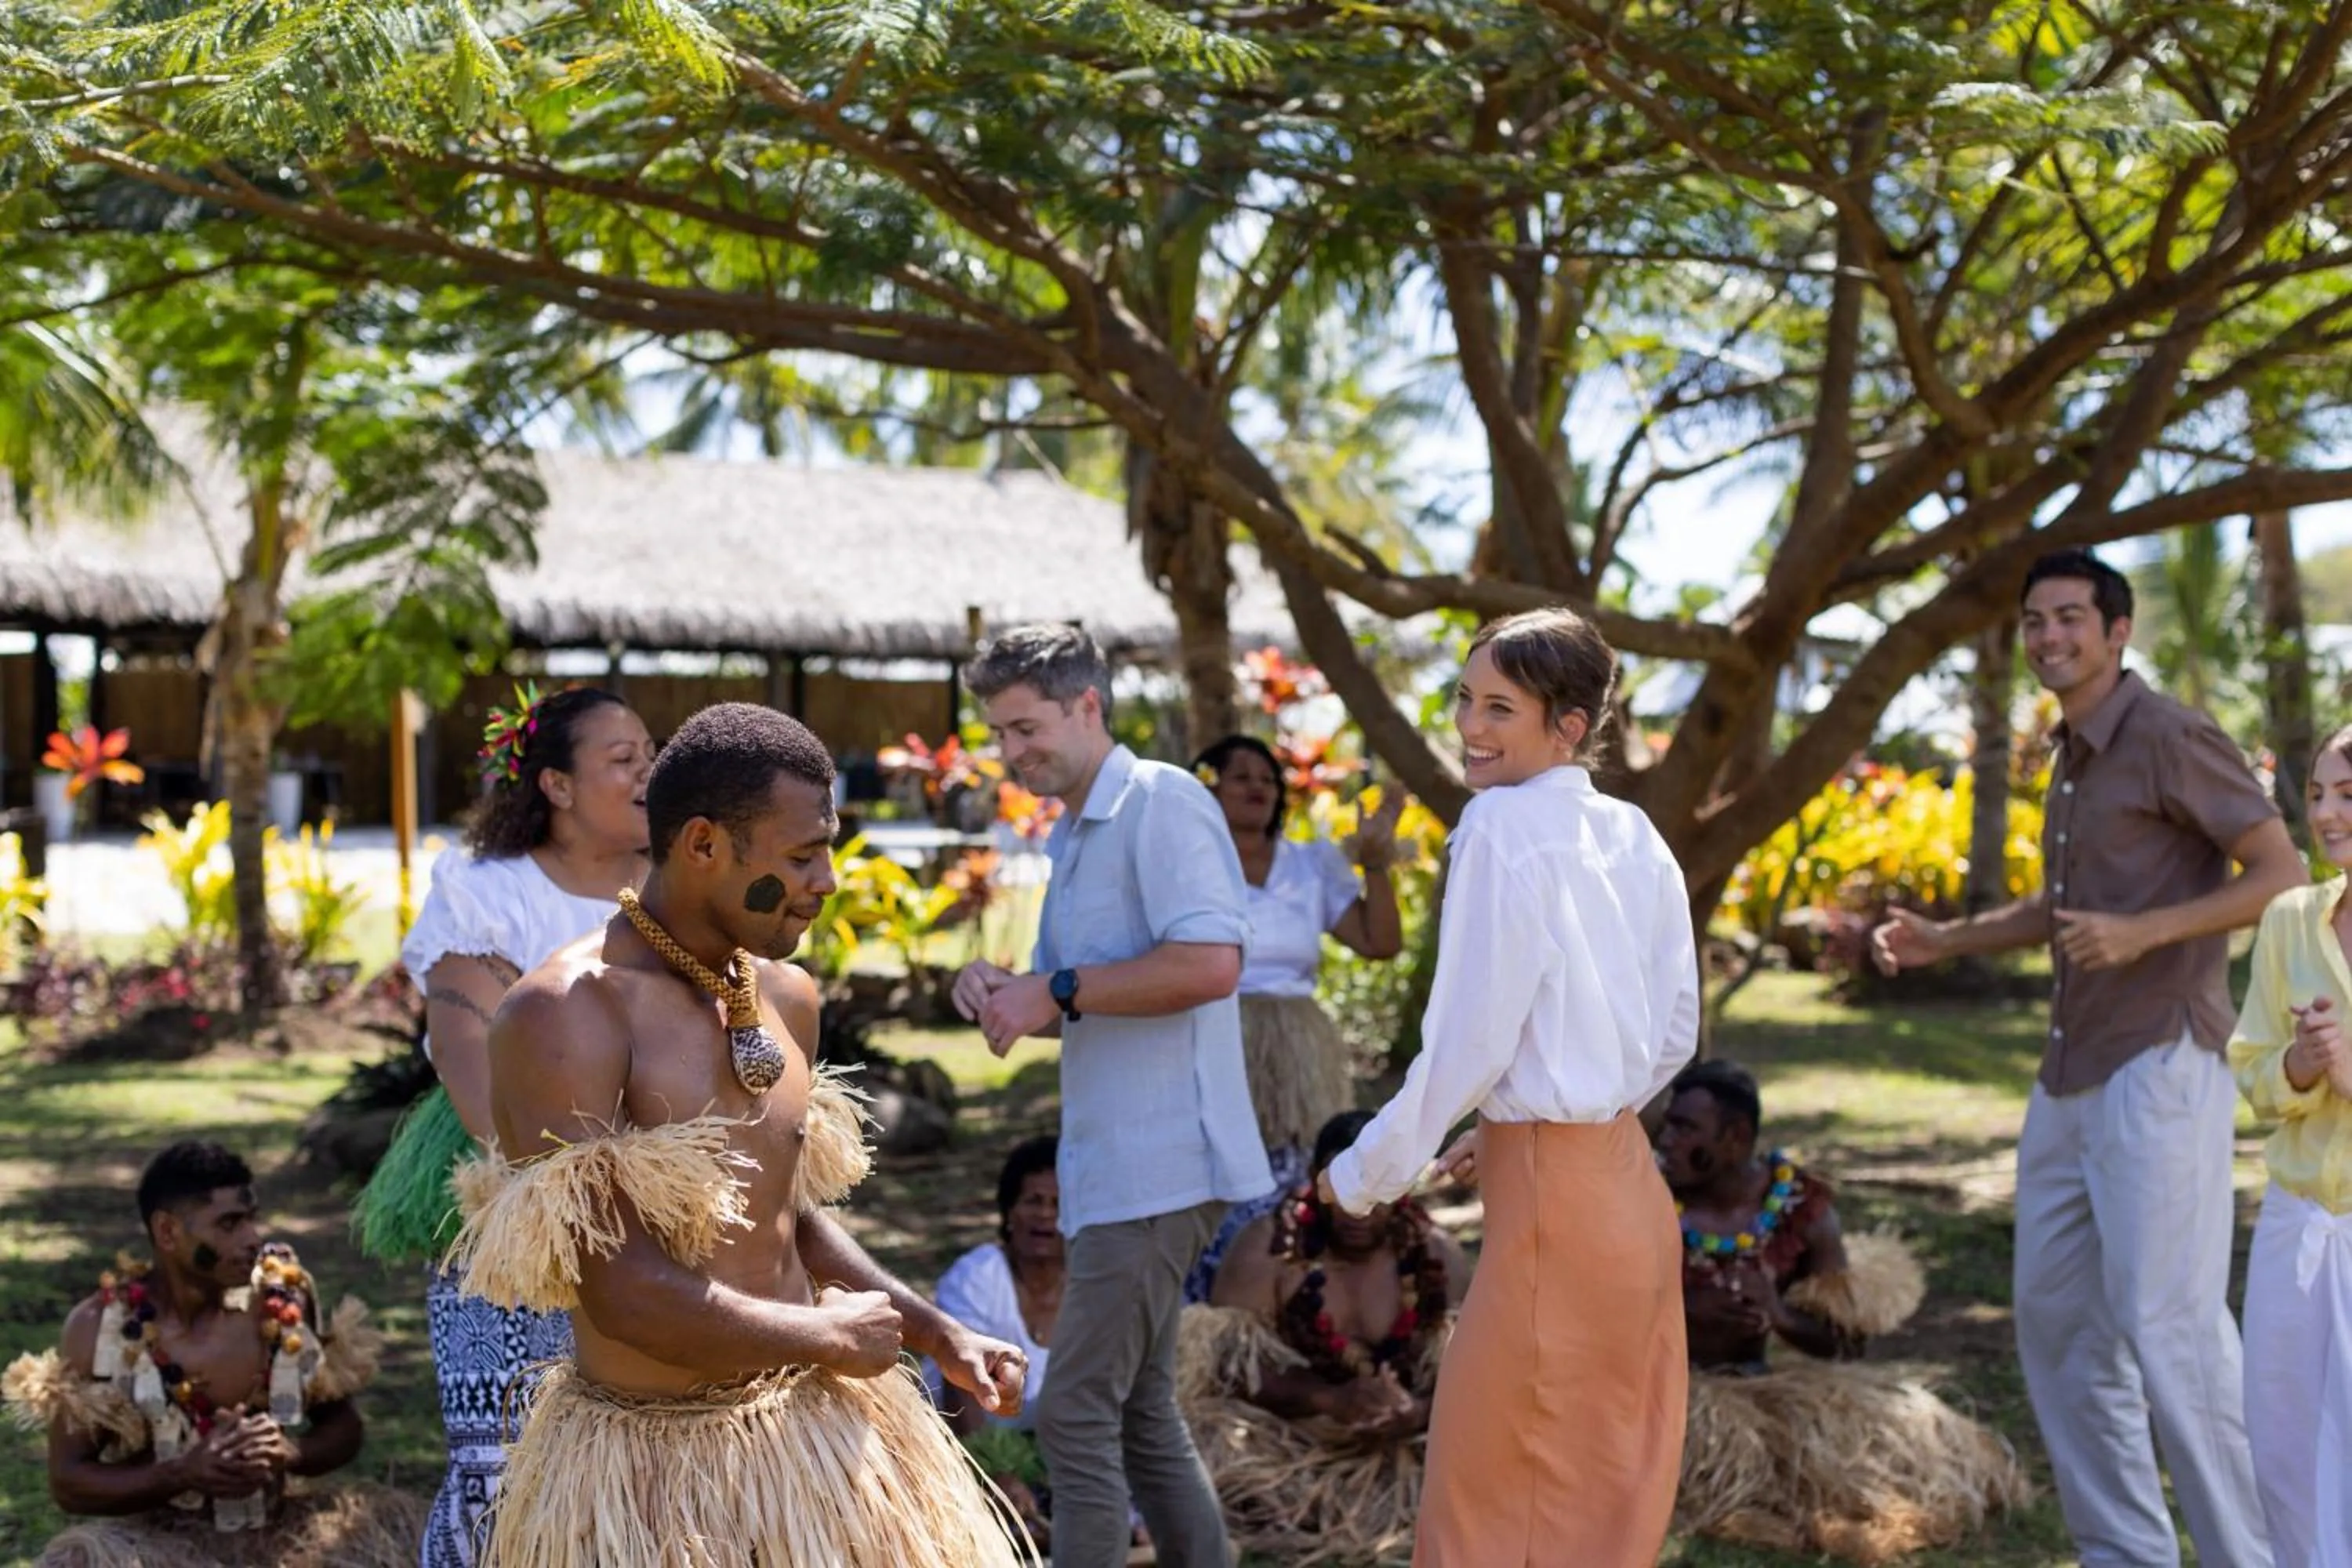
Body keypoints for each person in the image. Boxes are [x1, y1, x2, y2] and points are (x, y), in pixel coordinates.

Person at [448, 702, 1033, 1566]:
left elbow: (780, 1213)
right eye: (802, 855)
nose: (828, 879)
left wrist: (935, 1329)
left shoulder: (786, 996)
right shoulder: (570, 1013)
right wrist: (828, 1337)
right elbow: (623, 1291)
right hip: (655, 1483)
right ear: (702, 845)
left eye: (827, 846)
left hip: (811, 1439)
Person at [1874, 547, 2301, 1568]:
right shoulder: (2072, 750)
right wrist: (1949, 941)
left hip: (2159, 1064)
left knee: (2172, 1333)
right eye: (2034, 621)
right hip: (2069, 1074)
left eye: (2070, 617)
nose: (2049, 637)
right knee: (2060, 1326)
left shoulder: (2169, 734)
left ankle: (2252, 1557)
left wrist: (2149, 934)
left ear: (2118, 631)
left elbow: (2280, 869)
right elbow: (2065, 914)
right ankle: (2127, 1556)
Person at [1319, 606, 1699, 1567]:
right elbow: (1672, 1033)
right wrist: (1527, 1117)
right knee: (1600, 1487)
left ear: (1569, 725)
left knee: (1489, 1503)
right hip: (1626, 1190)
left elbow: (1468, 1043)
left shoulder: (1498, 824)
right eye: (1464, 699)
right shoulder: (1635, 832)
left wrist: (1362, 1174)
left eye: (1500, 707)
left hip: (1555, 1217)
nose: (1469, 727)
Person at [952, 623, 1271, 1568]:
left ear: (1087, 705)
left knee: (1080, 1406)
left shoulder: (1162, 802)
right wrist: (1003, 987)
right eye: (1000, 734)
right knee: (1136, 1407)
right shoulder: (1075, 829)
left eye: (1024, 727)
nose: (1011, 753)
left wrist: (1052, 988)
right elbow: (1079, 994)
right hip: (1113, 1164)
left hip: (1162, 1160)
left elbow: (1211, 963)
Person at [352, 683, 652, 1568]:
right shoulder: (491, 890)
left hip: (657, 1174)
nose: (648, 770)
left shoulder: (674, 882)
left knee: (645, 1427)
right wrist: (538, 1194)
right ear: (556, 786)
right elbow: (463, 1042)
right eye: (622, 757)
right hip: (508, 1174)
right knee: (515, 1441)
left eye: (652, 752)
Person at [1655, 1062, 2030, 1563]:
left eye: (1685, 1128)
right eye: (1668, 1124)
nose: (1666, 1139)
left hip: (1746, 1392)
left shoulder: (1798, 1209)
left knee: (1828, 1476)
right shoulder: (1648, 1195)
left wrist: (1778, 1315)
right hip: (1656, 1391)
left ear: (1735, 1137)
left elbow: (1846, 1346)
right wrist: (1678, 1309)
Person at [2, 1141, 418, 1567]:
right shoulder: (99, 1328)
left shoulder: (285, 1300)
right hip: (157, 1547)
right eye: (229, 1224)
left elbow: (343, 1426)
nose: (252, 1239)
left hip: (282, 1536)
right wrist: (182, 1472)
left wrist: (292, 1454)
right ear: (168, 1232)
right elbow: (69, 1481)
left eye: (251, 1219)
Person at [1179, 1109, 1472, 1564]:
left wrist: (1418, 1413)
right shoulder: (1268, 1249)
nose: (1359, 1205)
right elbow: (1225, 1370)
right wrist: (1328, 1399)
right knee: (1210, 1459)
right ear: (1317, 1180)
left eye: (1378, 1184)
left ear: (1403, 1185)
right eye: (1345, 1184)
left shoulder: (1437, 1257)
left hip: (1408, 1441)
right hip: (1292, 1440)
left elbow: (1478, 1372)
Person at [1186, 734, 1404, 1301]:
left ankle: (1291, 1306)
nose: (1259, 786)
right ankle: (1211, 1313)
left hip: (1298, 1053)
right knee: (1215, 1180)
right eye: (1241, 776)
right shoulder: (1187, 865)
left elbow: (1380, 942)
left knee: (1291, 1183)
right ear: (1208, 787)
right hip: (1212, 1039)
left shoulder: (1310, 864)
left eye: (1268, 778)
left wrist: (1376, 865)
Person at [2229, 725, 2352, 1567]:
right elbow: (2252, 1070)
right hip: (2297, 1221)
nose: (2326, 812)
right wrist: (2301, 1066)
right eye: (2315, 792)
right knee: (2285, 1452)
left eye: (2348, 793)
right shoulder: (2290, 917)